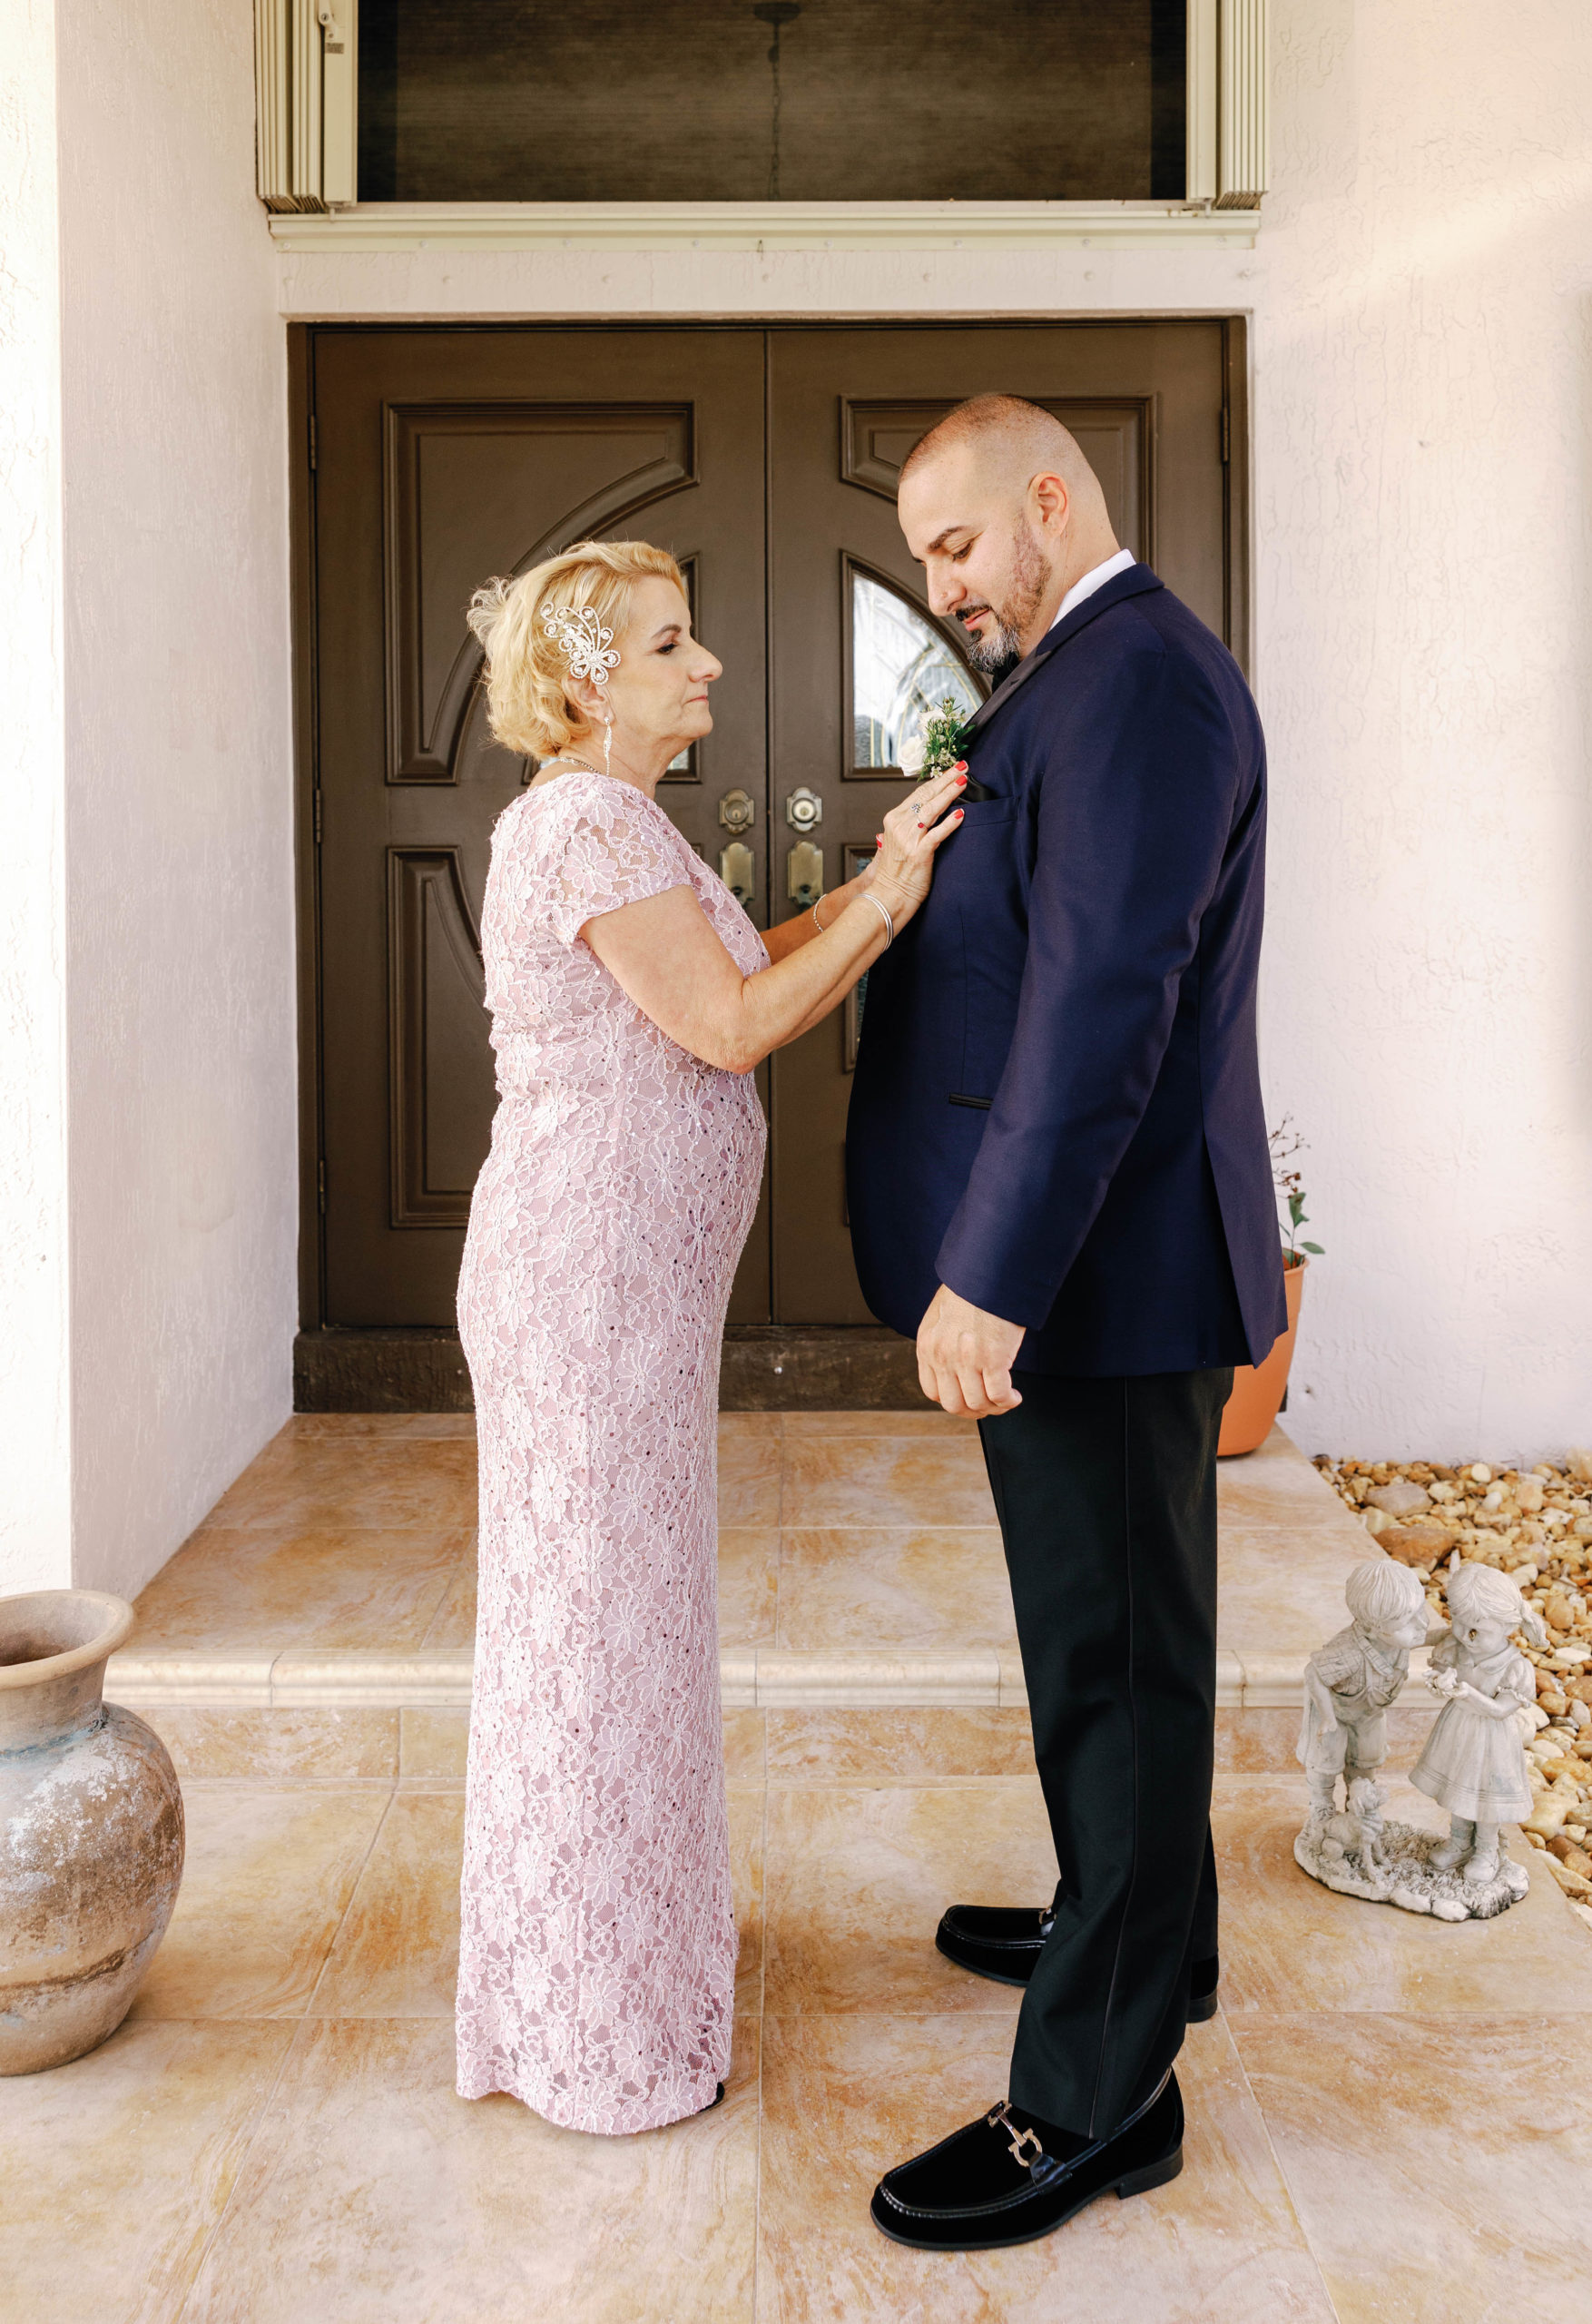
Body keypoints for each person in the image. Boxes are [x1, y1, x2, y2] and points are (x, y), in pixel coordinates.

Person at [846, 399, 1287, 2249]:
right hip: (1110, 1274)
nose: (939, 586)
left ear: (1048, 497)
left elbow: (1109, 994)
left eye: (953, 545)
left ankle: (1094, 2098)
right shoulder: (1090, 671)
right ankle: (1148, 1924)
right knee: (1132, 1631)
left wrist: (994, 1268)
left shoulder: (1138, 682)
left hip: (1094, 1282)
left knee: (1110, 1660)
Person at [454, 537, 964, 2134]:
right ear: (593, 681)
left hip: (624, 1301)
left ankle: (616, 1957)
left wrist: (864, 883)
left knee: (625, 1629)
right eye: (673, 644)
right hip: (580, 1295)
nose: (710, 667)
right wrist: (888, 894)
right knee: (593, 1638)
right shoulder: (582, 824)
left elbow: (736, 973)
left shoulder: (627, 824)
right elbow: (730, 1025)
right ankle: (589, 2028)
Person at [1412, 1561, 1545, 1886]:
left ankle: (1486, 1851)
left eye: (1475, 1631)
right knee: (1460, 1790)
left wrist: (1466, 1693)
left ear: (1507, 1627)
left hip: (1491, 1739)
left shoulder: (1516, 1667)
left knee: (1485, 1797)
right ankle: (1459, 1842)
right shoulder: (1458, 1645)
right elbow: (1445, 1670)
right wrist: (1440, 1683)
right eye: (1457, 1623)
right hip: (1459, 1730)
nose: (1463, 1635)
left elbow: (1501, 1711)